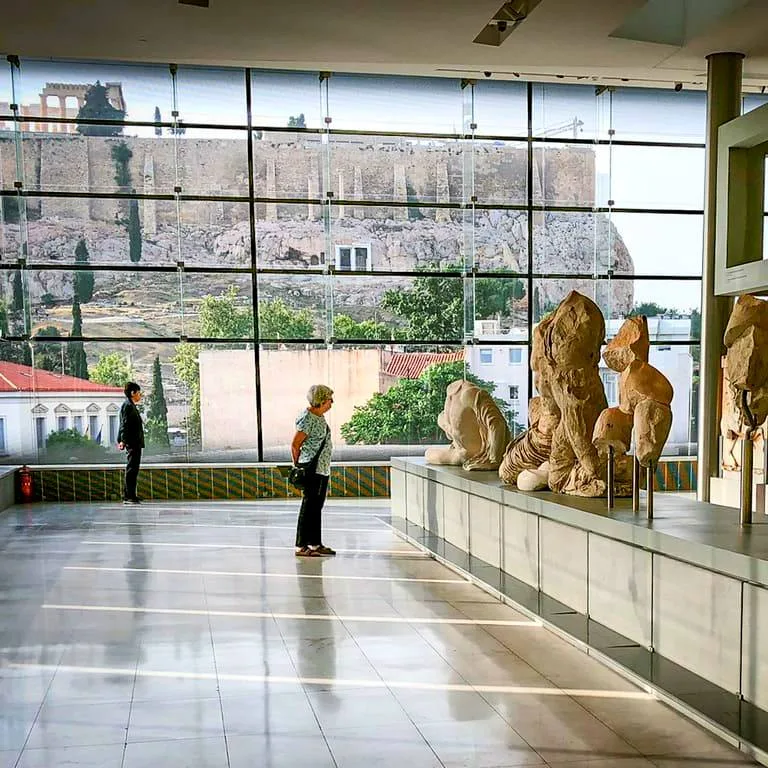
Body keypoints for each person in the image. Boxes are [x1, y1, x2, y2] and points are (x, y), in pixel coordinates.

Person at [292, 384, 335, 557]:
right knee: (308, 506)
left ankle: (315, 543)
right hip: (311, 468)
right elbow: (295, 444)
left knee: (316, 506)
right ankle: (301, 545)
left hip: (322, 468)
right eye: (329, 400)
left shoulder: (319, 417)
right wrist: (299, 466)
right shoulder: (307, 418)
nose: (332, 402)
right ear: (321, 401)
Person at [118, 381, 145, 505]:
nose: (140, 395)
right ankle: (128, 496)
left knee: (134, 469)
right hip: (132, 443)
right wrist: (122, 440)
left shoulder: (131, 405)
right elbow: (124, 424)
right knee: (131, 469)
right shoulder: (127, 406)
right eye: (139, 393)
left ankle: (131, 494)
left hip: (136, 442)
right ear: (133, 393)